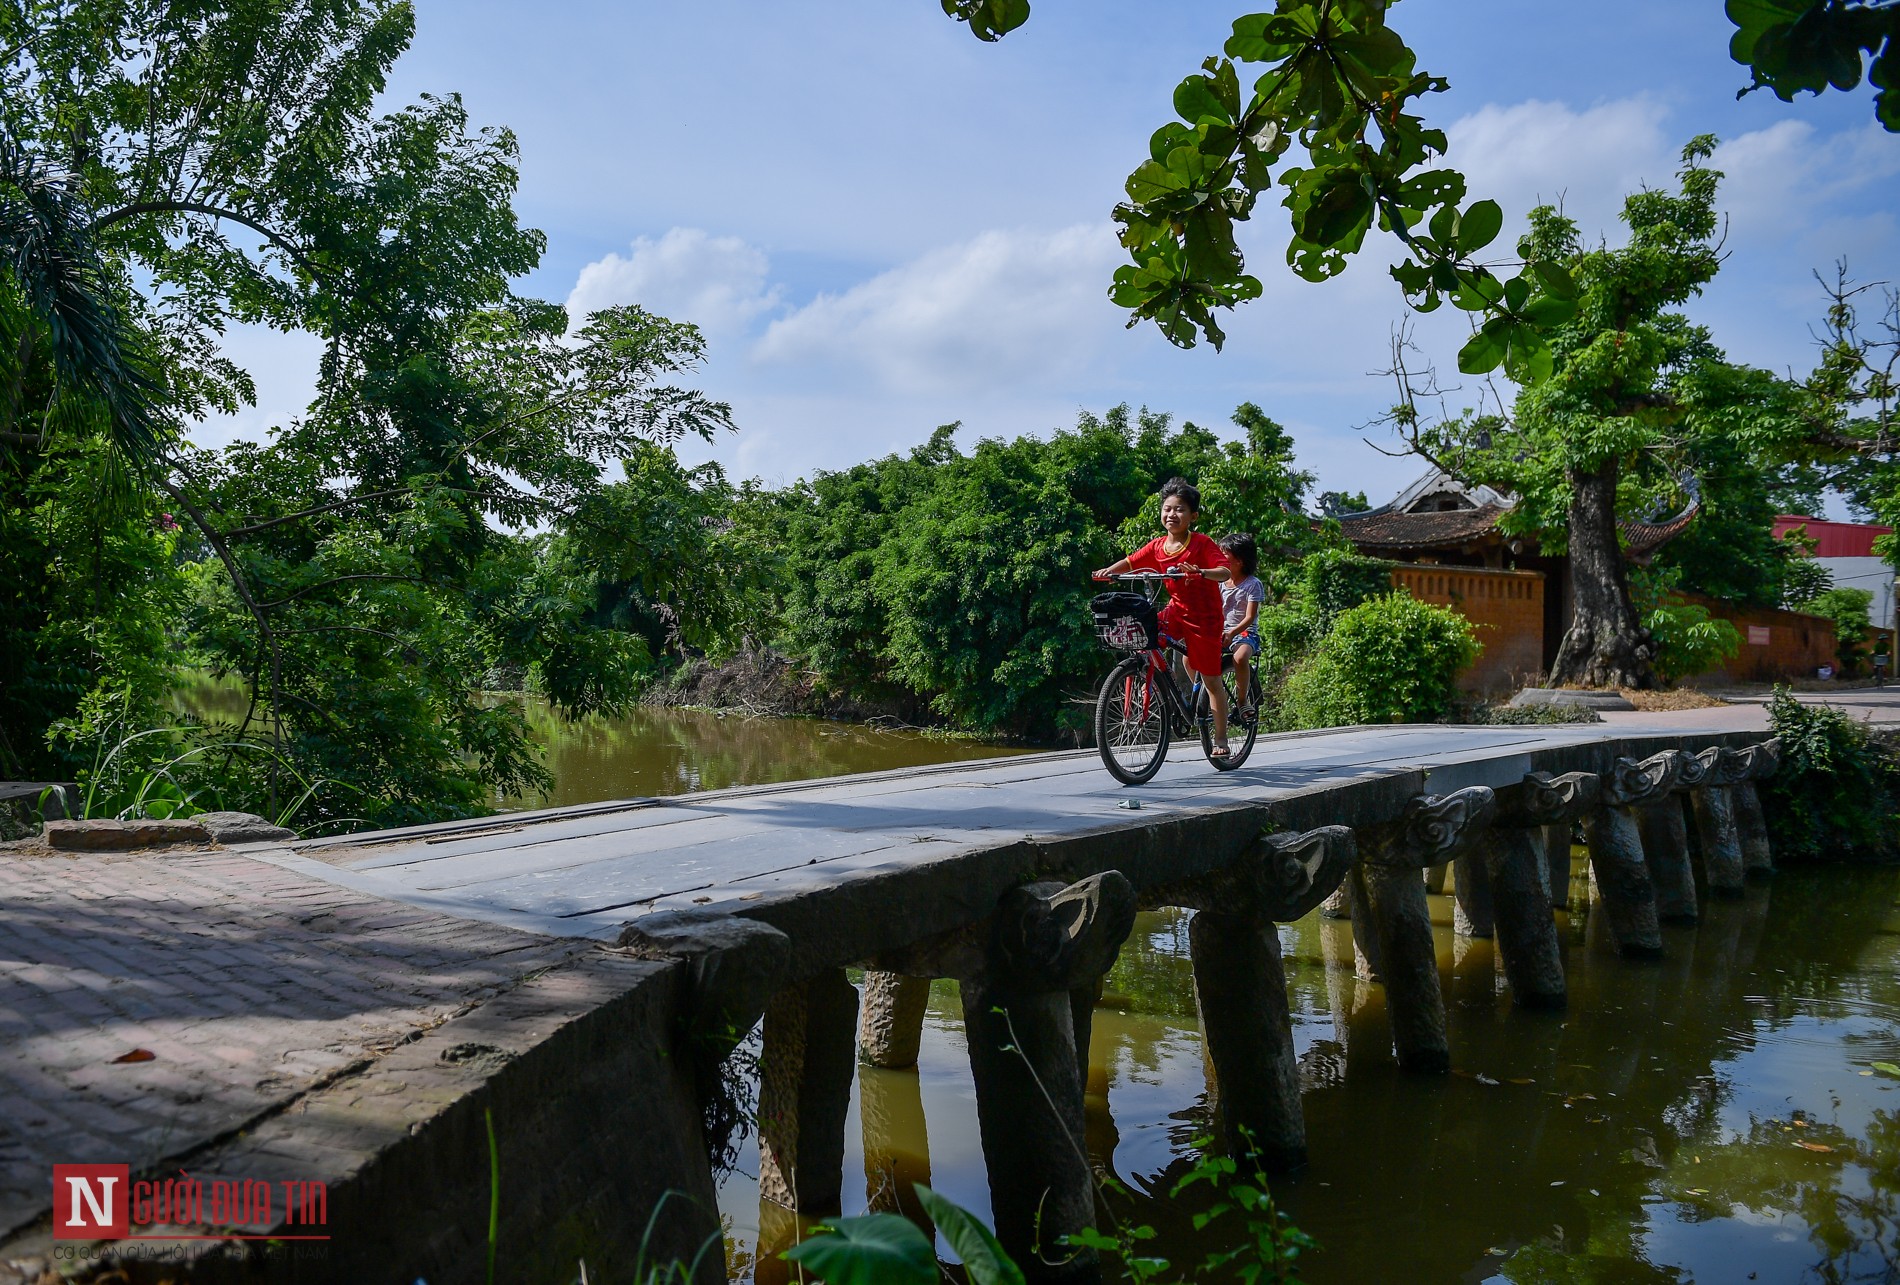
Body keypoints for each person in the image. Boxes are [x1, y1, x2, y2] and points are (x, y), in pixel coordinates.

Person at [1093, 478, 1234, 755]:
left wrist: (1202, 572)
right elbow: (1132, 561)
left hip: (1204, 618)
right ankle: (1152, 680)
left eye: (1179, 509)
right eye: (1167, 509)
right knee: (1144, 635)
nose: (1171, 514)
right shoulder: (1158, 546)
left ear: (1193, 516)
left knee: (1211, 680)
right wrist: (1109, 572)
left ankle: (1220, 739)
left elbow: (1225, 572)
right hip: (1176, 611)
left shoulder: (1202, 544)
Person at [1218, 532, 1264, 714]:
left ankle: (1242, 700)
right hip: (1220, 633)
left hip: (1245, 634)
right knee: (1188, 657)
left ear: (1240, 560)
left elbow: (1249, 617)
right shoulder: (1220, 582)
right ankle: (1212, 692)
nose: (1219, 560)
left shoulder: (1253, 584)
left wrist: (1232, 633)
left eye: (1224, 555)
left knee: (1240, 657)